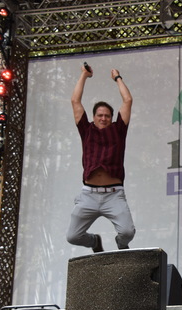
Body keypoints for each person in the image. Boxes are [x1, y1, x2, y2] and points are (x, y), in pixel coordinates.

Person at [66, 64, 136, 252]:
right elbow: (75, 101)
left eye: (107, 116)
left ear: (112, 118)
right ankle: (94, 242)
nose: (103, 118)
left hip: (114, 195)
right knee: (73, 236)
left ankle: (121, 246)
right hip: (88, 194)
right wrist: (84, 75)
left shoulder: (118, 130)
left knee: (128, 233)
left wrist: (117, 78)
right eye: (100, 115)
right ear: (94, 117)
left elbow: (127, 100)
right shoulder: (86, 130)